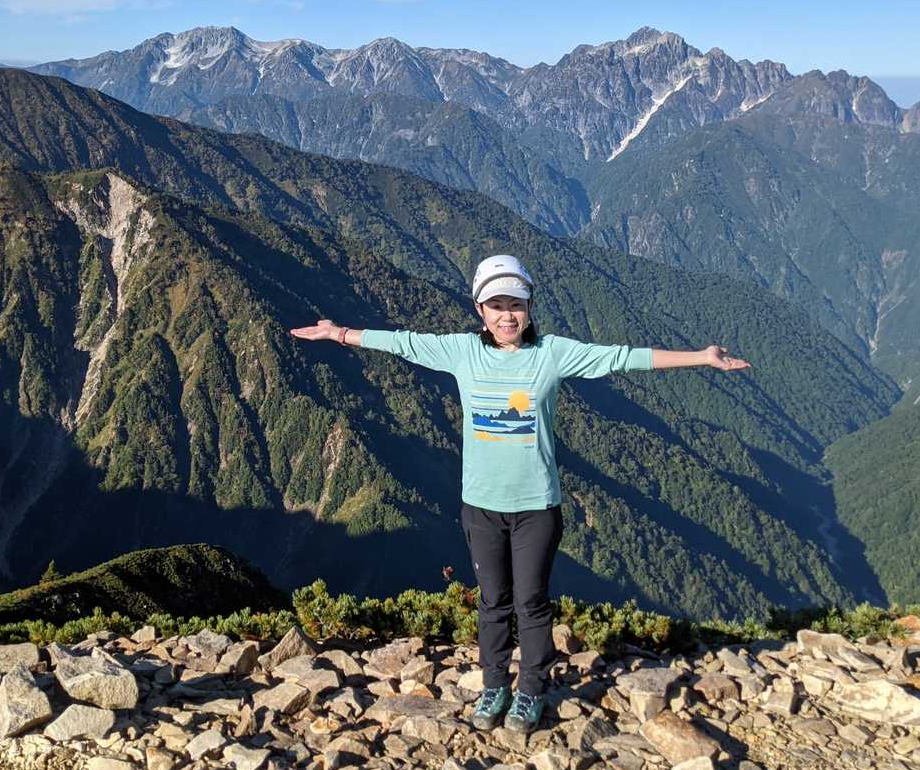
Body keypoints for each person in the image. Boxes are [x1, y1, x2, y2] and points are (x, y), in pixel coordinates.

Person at [289, 253, 750, 733]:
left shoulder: (552, 353)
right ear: (479, 309)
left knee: (531, 602)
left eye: (516, 304)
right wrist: (339, 334)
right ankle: (494, 686)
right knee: (493, 601)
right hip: (481, 507)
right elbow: (403, 343)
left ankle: (529, 689)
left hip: (536, 507)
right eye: (497, 305)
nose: (507, 315)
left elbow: (621, 356)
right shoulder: (461, 352)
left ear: (529, 308)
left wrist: (701, 356)